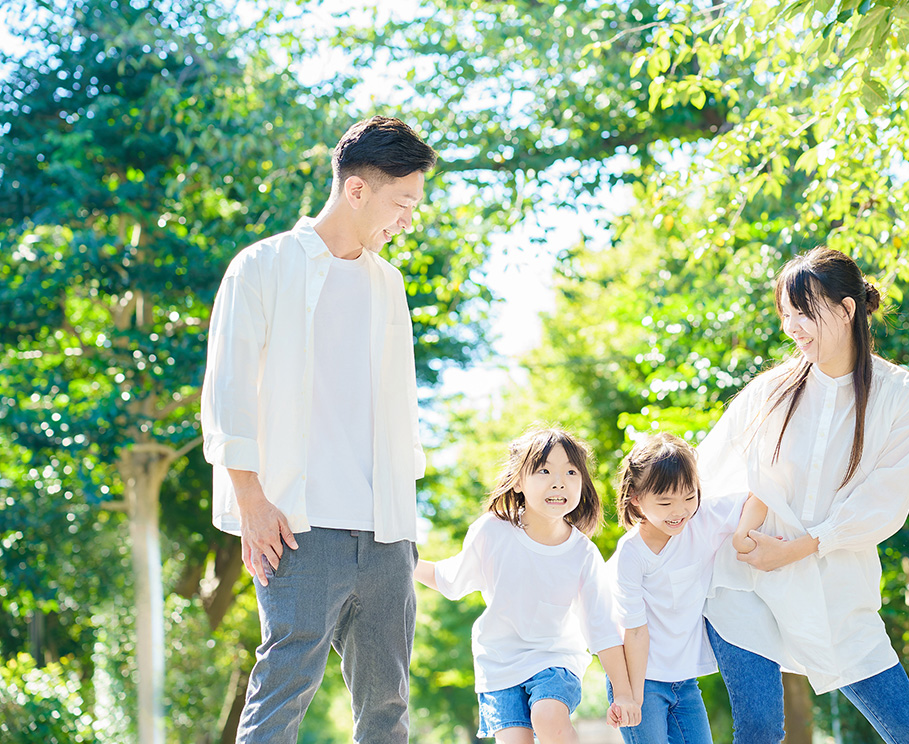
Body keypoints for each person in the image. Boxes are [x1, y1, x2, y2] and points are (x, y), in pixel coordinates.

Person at [200, 115, 437, 743]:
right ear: (356, 190)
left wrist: (408, 528)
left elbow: (396, 412)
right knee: (281, 694)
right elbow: (226, 396)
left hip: (386, 531)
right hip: (296, 526)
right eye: (401, 202)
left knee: (387, 706)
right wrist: (251, 501)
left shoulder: (389, 285)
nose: (407, 218)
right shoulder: (262, 267)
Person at [698, 246, 909, 744]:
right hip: (745, 582)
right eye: (785, 315)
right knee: (761, 729)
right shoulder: (770, 392)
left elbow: (884, 502)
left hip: (835, 590)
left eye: (803, 311)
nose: (792, 326)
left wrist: (800, 547)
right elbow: (706, 474)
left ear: (847, 309)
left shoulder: (904, 397)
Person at [414, 426, 641, 743]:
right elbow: (450, 580)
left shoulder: (583, 553)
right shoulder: (493, 531)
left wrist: (624, 693)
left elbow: (601, 627)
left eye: (571, 471)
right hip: (498, 662)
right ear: (518, 481)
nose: (558, 481)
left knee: (549, 717)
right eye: (544, 470)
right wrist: (403, 560)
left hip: (555, 658)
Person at [606, 432, 766, 744]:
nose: (679, 511)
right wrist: (632, 698)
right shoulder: (632, 554)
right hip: (641, 679)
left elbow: (760, 497)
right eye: (665, 501)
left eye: (689, 496)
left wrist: (741, 535)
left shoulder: (702, 520)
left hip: (685, 681)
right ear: (635, 498)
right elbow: (635, 631)